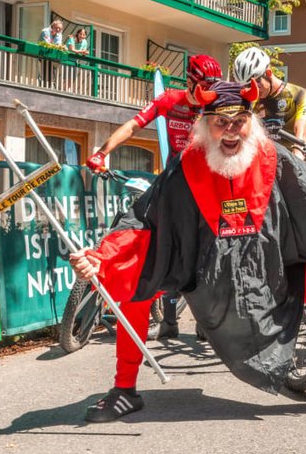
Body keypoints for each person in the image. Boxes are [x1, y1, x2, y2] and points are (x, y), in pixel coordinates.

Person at [70, 80, 306, 422]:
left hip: (272, 261)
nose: (231, 130)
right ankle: (124, 389)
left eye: (240, 122)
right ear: (203, 125)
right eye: (221, 122)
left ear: (251, 124)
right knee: (138, 285)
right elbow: (142, 223)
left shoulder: (274, 157)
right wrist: (100, 258)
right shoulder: (186, 165)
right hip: (201, 264)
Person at [86, 54, 223, 339]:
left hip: (207, 185)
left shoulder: (213, 105)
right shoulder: (168, 100)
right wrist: (102, 152)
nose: (207, 95)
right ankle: (169, 321)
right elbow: (133, 125)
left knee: (206, 252)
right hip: (174, 182)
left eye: (212, 88)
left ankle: (205, 319)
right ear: (189, 81)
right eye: (202, 88)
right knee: (167, 246)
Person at [232, 46, 306, 158]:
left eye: (255, 84)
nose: (252, 89)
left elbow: (300, 136)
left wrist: (298, 156)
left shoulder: (299, 94)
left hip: (290, 161)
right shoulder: (251, 101)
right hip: (263, 162)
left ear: (268, 73)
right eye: (246, 86)